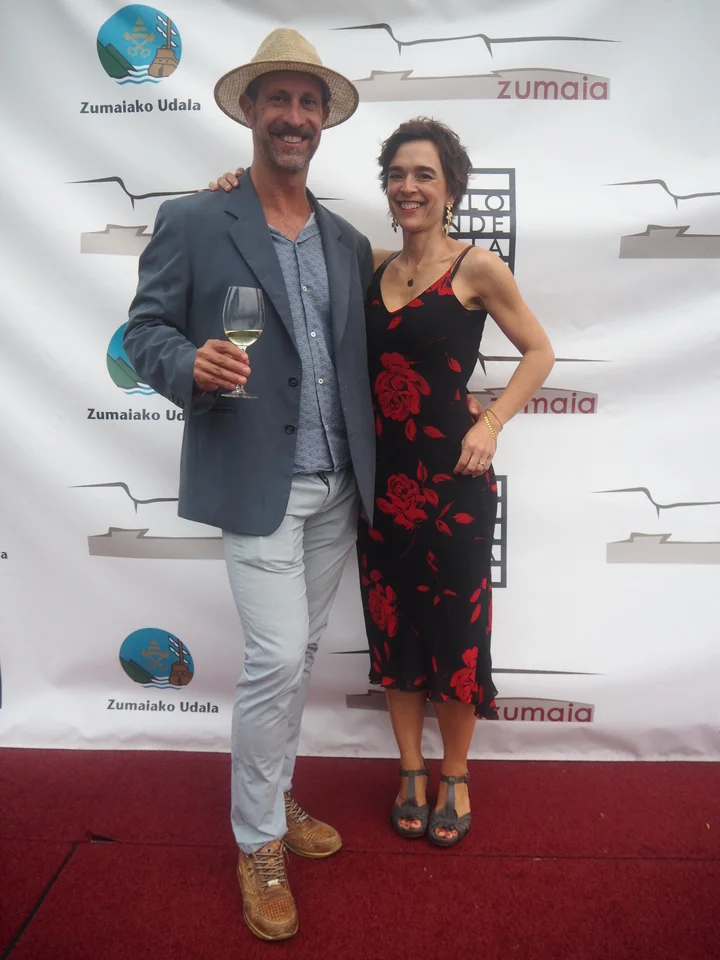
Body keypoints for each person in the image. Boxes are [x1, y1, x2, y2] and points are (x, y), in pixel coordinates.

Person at [211, 122, 554, 847]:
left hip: (455, 483)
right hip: (379, 482)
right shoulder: (364, 264)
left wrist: (491, 422)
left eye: (425, 174)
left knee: (456, 633)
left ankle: (454, 773)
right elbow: (281, 242)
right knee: (393, 628)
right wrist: (232, 190)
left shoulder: (477, 268)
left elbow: (539, 351)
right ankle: (409, 768)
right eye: (397, 174)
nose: (408, 186)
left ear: (451, 189)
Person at [124, 29, 378, 942]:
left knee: (299, 657)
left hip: (338, 485)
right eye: (279, 100)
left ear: (324, 121)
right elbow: (144, 331)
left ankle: (274, 795)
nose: (293, 117)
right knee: (274, 660)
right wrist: (188, 363)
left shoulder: (349, 242)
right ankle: (257, 841)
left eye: (308, 103)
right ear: (250, 111)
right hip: (257, 480)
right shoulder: (198, 219)